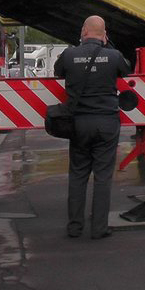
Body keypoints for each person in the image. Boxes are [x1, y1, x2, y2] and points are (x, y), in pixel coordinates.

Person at [54, 15, 131, 239]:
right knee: (103, 177)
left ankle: (75, 227)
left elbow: (58, 72)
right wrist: (108, 46)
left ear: (83, 32)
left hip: (79, 123)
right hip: (106, 122)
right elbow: (126, 71)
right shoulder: (114, 55)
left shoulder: (69, 55)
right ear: (104, 34)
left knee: (77, 174)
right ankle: (99, 228)